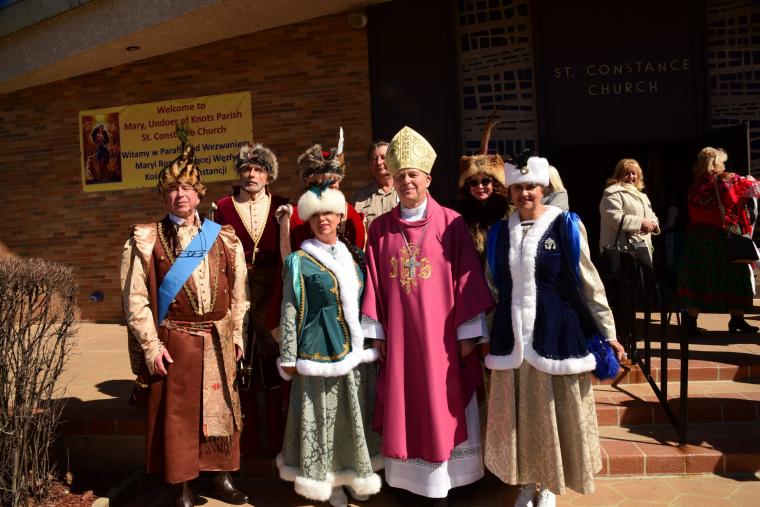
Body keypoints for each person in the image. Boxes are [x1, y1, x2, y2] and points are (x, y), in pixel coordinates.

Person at [361, 126, 495, 506]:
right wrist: (377, 334)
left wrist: (468, 333)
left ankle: (449, 482)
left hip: (443, 339)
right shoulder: (380, 229)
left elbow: (467, 278)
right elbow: (373, 283)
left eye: (413, 175)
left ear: (428, 180)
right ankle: (408, 483)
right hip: (401, 341)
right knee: (404, 401)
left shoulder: (451, 222)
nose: (406, 181)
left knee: (443, 401)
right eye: (400, 175)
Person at [483, 155, 625, 507]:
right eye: (517, 187)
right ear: (509, 192)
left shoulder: (566, 225)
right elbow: (493, 287)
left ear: (543, 187)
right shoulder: (499, 233)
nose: (524, 193)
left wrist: (608, 332)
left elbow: (589, 283)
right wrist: (489, 333)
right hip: (512, 339)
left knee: (552, 416)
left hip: (558, 336)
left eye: (531, 186)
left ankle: (548, 483)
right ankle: (525, 483)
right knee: (519, 421)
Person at [120, 139, 249, 507]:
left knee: (223, 410)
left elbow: (239, 295)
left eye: (187, 188)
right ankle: (181, 485)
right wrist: (151, 345)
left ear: (198, 193)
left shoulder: (224, 237)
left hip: (219, 337)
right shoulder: (146, 239)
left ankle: (221, 476)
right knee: (179, 416)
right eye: (173, 189)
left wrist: (237, 336)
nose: (181, 195)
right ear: (165, 195)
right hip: (175, 339)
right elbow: (136, 300)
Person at [275, 184, 382, 507]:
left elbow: (368, 301)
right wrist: (288, 354)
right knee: (325, 419)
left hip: (355, 351)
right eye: (316, 216)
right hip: (318, 351)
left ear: (340, 218)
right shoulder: (299, 261)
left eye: (329, 214)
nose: (323, 220)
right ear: (309, 221)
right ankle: (330, 481)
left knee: (354, 417)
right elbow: (289, 307)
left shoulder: (356, 257)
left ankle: (355, 475)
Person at [211, 143, 289, 458]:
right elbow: (207, 256)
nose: (251, 174)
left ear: (268, 175)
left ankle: (280, 445)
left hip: (274, 296)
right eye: (246, 169)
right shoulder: (222, 207)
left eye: (258, 169)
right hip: (237, 296)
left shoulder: (283, 206)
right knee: (241, 372)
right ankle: (247, 448)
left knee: (274, 369)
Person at [677, 147, 760, 334]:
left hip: (698, 240)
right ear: (715, 163)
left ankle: (690, 322)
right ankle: (737, 319)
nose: (723, 165)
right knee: (735, 277)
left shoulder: (695, 186)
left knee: (698, 278)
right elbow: (754, 190)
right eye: (721, 161)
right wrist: (751, 180)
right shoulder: (727, 180)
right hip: (724, 238)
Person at [277, 128, 366, 259]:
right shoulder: (292, 216)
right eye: (324, 182)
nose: (331, 187)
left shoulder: (351, 214)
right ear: (311, 184)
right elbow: (288, 262)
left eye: (334, 181)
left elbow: (359, 259)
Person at [455, 119, 510, 261]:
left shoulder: (509, 212)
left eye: (485, 181)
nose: (480, 187)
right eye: (473, 182)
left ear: (495, 183)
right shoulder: (459, 216)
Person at [598, 158, 660, 258]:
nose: (631, 177)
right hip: (622, 252)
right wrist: (641, 223)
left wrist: (653, 224)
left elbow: (652, 215)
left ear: (638, 176)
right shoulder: (612, 193)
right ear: (619, 176)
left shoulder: (643, 196)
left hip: (642, 249)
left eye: (633, 173)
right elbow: (614, 217)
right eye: (626, 174)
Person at [354, 140, 398, 229]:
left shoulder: (406, 190)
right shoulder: (359, 196)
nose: (378, 162)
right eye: (374, 158)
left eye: (383, 157)